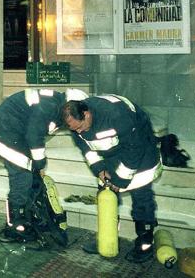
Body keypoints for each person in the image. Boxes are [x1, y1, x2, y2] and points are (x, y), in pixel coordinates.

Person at [0, 88, 88, 245]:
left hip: (13, 131)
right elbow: (34, 134)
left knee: (27, 176)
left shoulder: (58, 105)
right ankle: (14, 228)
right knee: (22, 177)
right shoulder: (50, 107)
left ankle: (24, 218)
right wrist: (40, 162)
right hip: (4, 131)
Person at [61, 94, 162, 263]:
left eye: (80, 127)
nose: (78, 132)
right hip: (112, 152)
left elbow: (134, 148)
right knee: (106, 195)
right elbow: (86, 148)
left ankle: (145, 242)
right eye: (74, 130)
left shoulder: (117, 115)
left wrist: (120, 179)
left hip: (141, 149)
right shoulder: (75, 124)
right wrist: (99, 169)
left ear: (86, 114)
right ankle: (108, 237)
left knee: (141, 195)